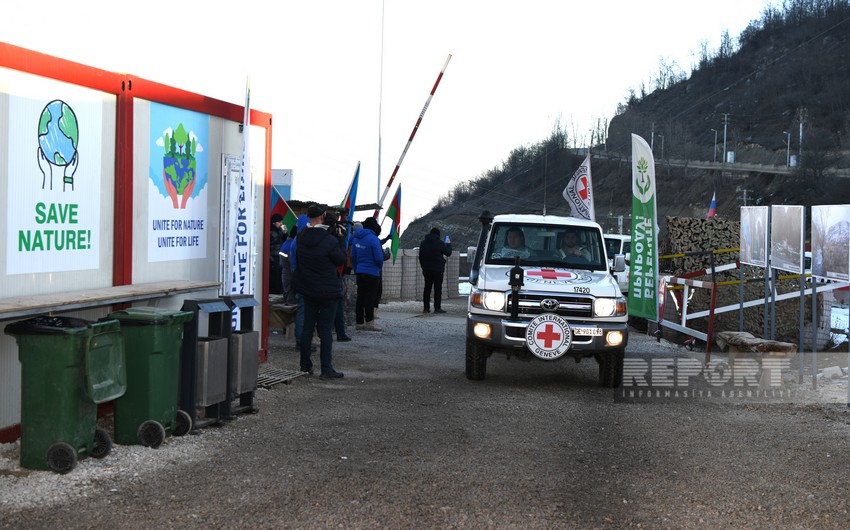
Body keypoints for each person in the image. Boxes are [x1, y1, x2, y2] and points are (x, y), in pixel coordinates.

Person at [291, 204, 346, 379]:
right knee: (325, 330)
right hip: (328, 290)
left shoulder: (301, 237)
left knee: (308, 327)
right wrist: (341, 240)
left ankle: (305, 366)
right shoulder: (329, 240)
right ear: (322, 217)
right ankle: (326, 369)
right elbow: (340, 260)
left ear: (308, 218)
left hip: (308, 288)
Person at [350, 216, 384, 331]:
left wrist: (356, 268)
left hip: (360, 271)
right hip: (372, 272)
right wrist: (378, 268)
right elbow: (379, 258)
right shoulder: (373, 239)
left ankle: (359, 323)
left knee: (360, 297)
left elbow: (353, 256)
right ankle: (369, 322)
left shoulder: (356, 238)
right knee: (370, 298)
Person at [418, 227, 452, 313]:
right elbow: (448, 253)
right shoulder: (440, 243)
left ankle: (426, 308)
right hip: (438, 269)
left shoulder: (423, 243)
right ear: (438, 235)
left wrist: (423, 267)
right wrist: (449, 244)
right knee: (437, 289)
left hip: (426, 269)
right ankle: (437, 308)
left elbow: (420, 257)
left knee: (427, 288)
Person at [269, 214, 285, 294]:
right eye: (279, 222)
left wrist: (285, 233)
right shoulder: (270, 231)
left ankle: (279, 290)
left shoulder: (279, 231)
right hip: (273, 255)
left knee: (280, 273)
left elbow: (284, 241)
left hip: (279, 254)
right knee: (275, 274)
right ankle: (274, 290)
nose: (281, 223)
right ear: (274, 223)